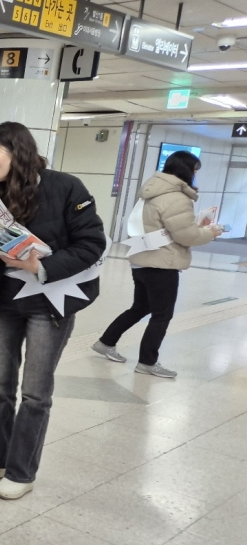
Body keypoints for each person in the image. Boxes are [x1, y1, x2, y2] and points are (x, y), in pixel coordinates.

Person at [0, 122, 106, 500]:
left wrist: (39, 266)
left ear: (16, 151)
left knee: (34, 392)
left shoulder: (65, 187)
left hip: (50, 302)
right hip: (6, 302)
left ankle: (22, 470)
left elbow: (92, 243)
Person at [93, 151, 222, 378]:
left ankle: (106, 342)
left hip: (142, 259)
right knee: (162, 314)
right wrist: (210, 232)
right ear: (186, 170)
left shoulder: (151, 192)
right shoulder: (177, 197)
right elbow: (186, 236)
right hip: (162, 263)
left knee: (141, 307)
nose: (195, 176)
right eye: (195, 171)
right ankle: (147, 362)